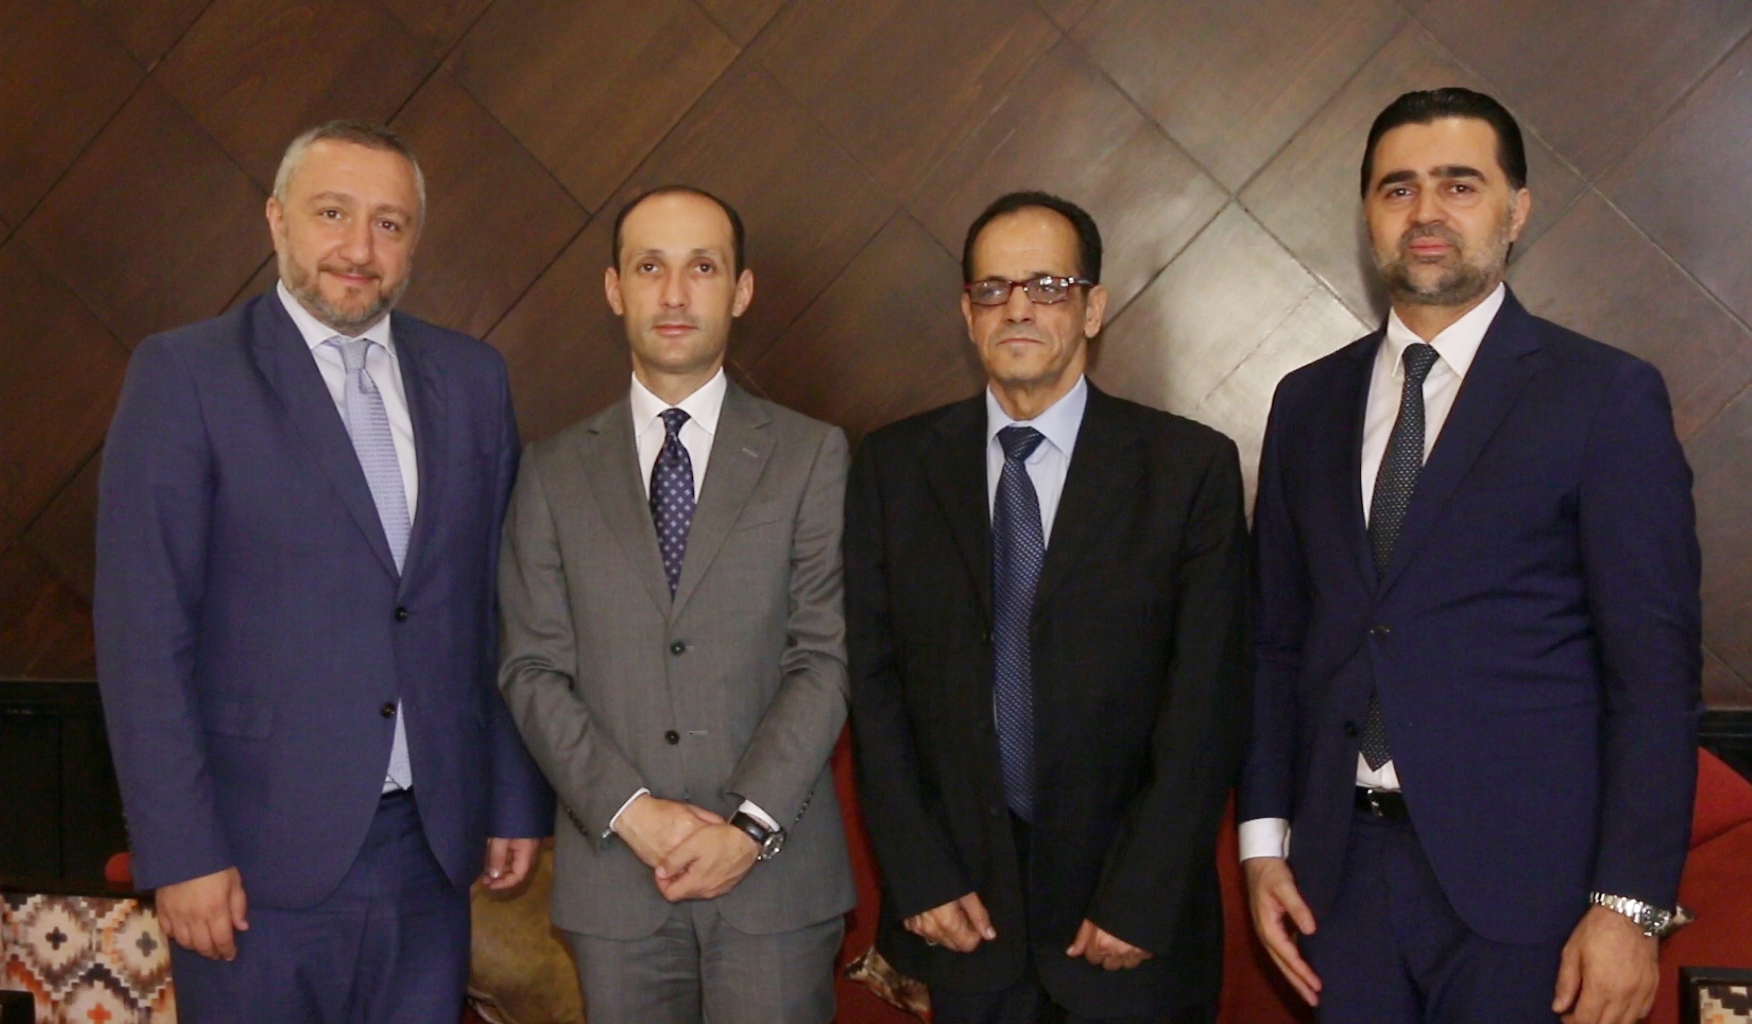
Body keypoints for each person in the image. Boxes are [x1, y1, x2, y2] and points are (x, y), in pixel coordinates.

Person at [1239, 87, 1701, 1024]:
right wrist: (1261, 844)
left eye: (1459, 185)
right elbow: (1277, 642)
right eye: (1398, 188)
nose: (1426, 212)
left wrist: (1630, 906)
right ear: (1369, 214)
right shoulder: (1306, 403)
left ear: (1516, 210)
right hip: (1337, 880)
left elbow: (1652, 673)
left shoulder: (1603, 395)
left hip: (1533, 895)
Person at [95, 120, 553, 1023]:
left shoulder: (472, 380)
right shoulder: (185, 374)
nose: (359, 248)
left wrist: (512, 797)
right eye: (332, 213)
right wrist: (181, 851)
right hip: (251, 861)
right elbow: (143, 634)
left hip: (432, 851)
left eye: (389, 223)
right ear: (277, 220)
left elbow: (497, 608)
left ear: (415, 240)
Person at [846, 191, 1249, 1024]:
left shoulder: (1187, 470)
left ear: (1093, 309)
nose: (1019, 308)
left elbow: (1206, 705)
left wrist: (1143, 894)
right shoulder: (892, 469)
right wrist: (919, 874)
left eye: (1049, 286)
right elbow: (873, 690)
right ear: (968, 313)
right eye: (993, 289)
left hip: (1126, 923)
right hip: (964, 915)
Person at [496, 185, 855, 1024]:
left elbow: (825, 657)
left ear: (741, 290)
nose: (674, 293)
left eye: (703, 267)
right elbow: (531, 669)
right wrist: (633, 814)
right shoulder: (550, 471)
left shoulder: (812, 455)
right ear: (614, 288)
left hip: (774, 877)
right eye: (649, 267)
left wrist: (747, 828)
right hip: (615, 881)